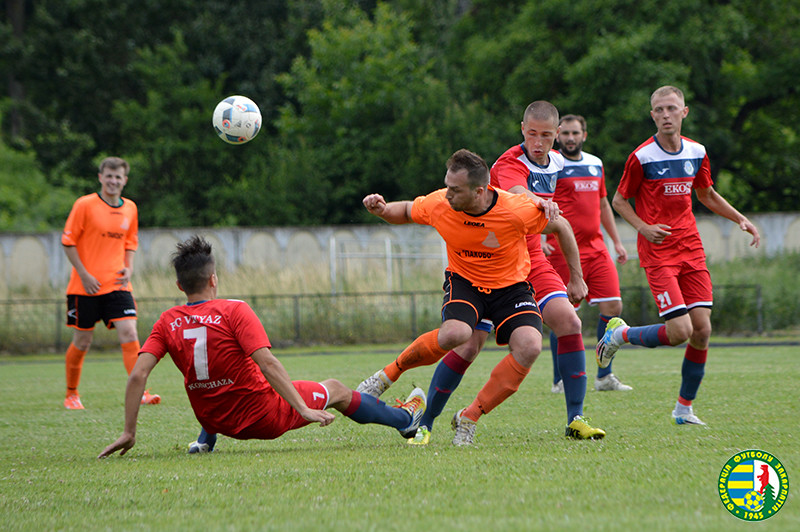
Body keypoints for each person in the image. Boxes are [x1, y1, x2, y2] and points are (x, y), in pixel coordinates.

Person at [356, 148, 604, 446]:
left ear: (480, 191)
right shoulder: (441, 203)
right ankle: (386, 376)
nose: (447, 195)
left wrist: (576, 278)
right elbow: (408, 210)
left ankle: (469, 417)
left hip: (511, 287)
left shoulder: (516, 209)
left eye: (455, 190)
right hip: (466, 283)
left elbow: (561, 226)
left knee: (529, 347)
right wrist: (382, 210)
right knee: (457, 335)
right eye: (447, 186)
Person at [98, 236, 426, 458]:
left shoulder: (167, 320)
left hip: (213, 417)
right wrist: (302, 408)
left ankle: (205, 440)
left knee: (216, 373)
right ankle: (405, 421)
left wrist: (129, 432)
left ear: (179, 285)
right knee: (337, 389)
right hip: (261, 419)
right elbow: (267, 363)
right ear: (214, 279)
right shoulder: (234, 310)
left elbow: (138, 375)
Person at [601, 85, 760, 425]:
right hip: (658, 252)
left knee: (702, 330)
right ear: (652, 115)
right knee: (679, 332)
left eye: (672, 108)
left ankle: (684, 409)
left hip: (691, 248)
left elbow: (707, 194)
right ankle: (620, 334)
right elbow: (618, 201)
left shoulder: (697, 151)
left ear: (684, 112)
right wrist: (643, 228)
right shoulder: (642, 157)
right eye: (659, 110)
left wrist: (740, 218)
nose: (665, 115)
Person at [61, 157, 160, 410]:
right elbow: (68, 242)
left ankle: (141, 392)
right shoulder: (85, 205)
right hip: (86, 286)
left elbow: (130, 241)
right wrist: (84, 274)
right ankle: (71, 394)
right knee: (82, 341)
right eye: (109, 176)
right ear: (100, 177)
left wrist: (129, 267)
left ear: (125, 180)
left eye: (118, 177)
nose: (113, 181)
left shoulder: (131, 208)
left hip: (118, 285)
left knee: (129, 332)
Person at [546, 114, 632, 392]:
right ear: (558, 135)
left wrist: (616, 241)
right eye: (566, 133)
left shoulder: (595, 164)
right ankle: (561, 379)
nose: (570, 138)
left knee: (613, 306)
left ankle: (604, 376)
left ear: (585, 135)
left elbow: (604, 204)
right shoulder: (550, 164)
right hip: (562, 251)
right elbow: (535, 203)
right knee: (563, 315)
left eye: (575, 133)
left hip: (596, 249)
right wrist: (538, 239)